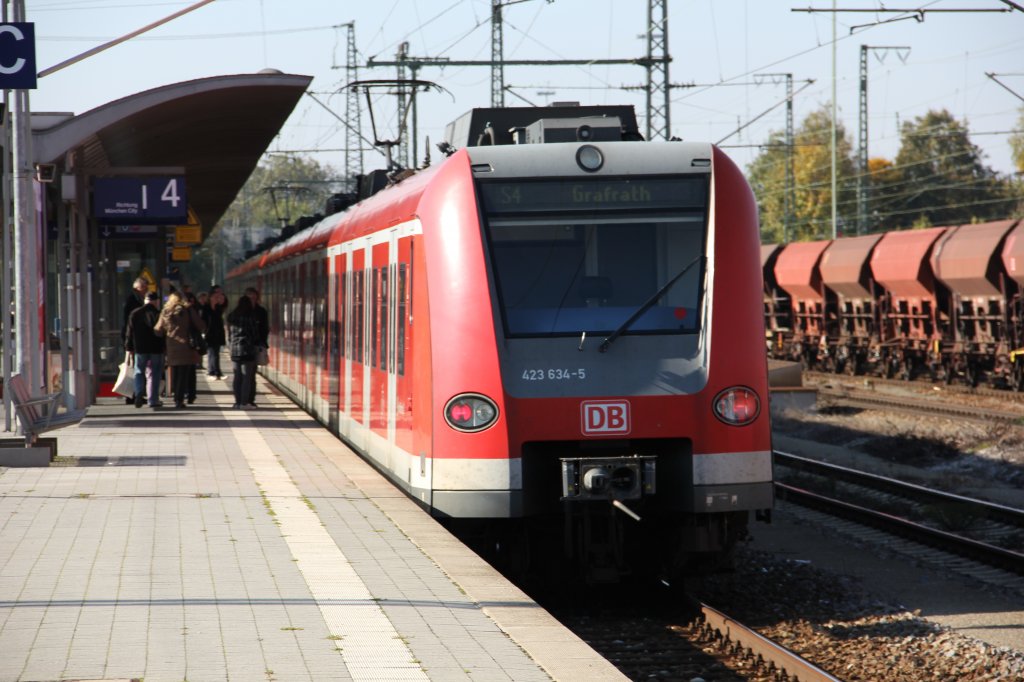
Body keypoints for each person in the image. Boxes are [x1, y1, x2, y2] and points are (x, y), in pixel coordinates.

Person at [154, 290, 205, 409]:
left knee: (175, 373)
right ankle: (179, 399)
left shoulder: (165, 311)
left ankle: (176, 396)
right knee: (184, 374)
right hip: (186, 346)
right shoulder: (188, 310)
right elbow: (201, 325)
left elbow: (158, 330)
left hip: (171, 347)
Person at [124, 291, 165, 409]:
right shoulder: (158, 314)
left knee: (139, 372)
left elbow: (129, 333)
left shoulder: (135, 313)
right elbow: (163, 332)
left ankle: (138, 393)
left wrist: (129, 348)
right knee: (154, 374)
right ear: (156, 301)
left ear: (145, 301)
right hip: (156, 349)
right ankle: (153, 400)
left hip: (140, 349)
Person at [227, 294, 259, 410]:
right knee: (247, 376)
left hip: (235, 350)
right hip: (247, 349)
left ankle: (237, 402)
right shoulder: (250, 317)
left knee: (237, 376)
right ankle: (244, 403)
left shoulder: (232, 316)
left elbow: (229, 334)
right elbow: (255, 334)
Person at [122, 277, 148, 404]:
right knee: (134, 368)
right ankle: (131, 394)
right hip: (133, 340)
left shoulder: (136, 299)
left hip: (133, 339)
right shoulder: (133, 300)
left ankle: (135, 393)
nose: (146, 290)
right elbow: (130, 323)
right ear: (138, 288)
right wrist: (129, 345)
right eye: (145, 287)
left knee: (135, 367)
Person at [245, 286, 269, 407]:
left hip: (255, 346)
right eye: (250, 298)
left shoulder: (261, 311)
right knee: (244, 374)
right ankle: (243, 398)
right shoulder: (240, 312)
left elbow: (265, 329)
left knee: (251, 374)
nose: (252, 300)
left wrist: (262, 343)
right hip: (243, 347)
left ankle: (250, 399)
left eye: (254, 298)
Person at [201, 287, 227, 379]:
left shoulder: (218, 308)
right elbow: (203, 320)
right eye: (215, 297)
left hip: (217, 333)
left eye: (218, 297)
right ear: (210, 297)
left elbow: (225, 303)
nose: (217, 298)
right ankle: (213, 372)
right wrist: (204, 331)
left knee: (215, 353)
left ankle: (215, 372)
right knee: (212, 353)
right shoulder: (206, 308)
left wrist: (221, 295)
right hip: (209, 333)